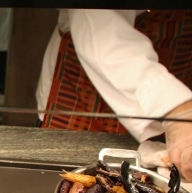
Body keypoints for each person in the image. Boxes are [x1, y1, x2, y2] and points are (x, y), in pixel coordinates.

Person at [36, 9, 192, 181]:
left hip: (177, 83)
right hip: (93, 83)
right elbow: (103, 34)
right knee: (75, 184)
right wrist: (179, 110)